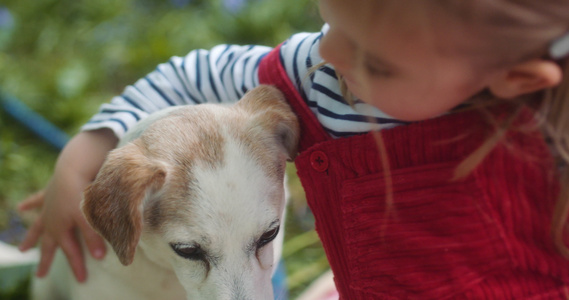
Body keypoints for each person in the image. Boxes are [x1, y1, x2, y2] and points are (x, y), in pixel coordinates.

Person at [19, 0, 569, 298]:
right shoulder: (320, 79)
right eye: (329, 19)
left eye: (375, 59)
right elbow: (185, 74)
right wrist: (79, 160)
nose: (328, 51)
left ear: (514, 78)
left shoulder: (547, 146)